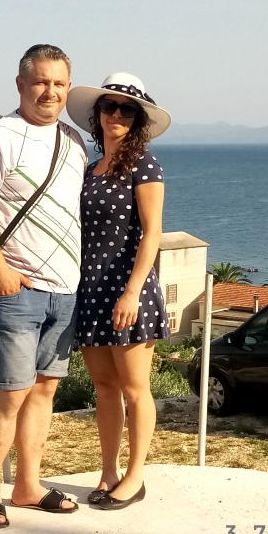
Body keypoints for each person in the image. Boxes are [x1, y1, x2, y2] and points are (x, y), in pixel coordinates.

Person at [0, 44, 88, 528]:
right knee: (10, 393)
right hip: (17, 291)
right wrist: (0, 271)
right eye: (40, 82)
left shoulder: (74, 141)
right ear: (20, 85)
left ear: (68, 88)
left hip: (65, 290)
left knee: (44, 391)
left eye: (59, 83)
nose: (50, 91)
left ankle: (28, 486)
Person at [65, 72, 172, 510]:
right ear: (98, 114)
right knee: (105, 388)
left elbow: (152, 233)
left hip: (129, 292)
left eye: (127, 109)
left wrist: (131, 292)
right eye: (109, 106)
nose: (117, 114)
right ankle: (108, 472)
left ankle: (134, 476)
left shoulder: (144, 164)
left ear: (138, 119)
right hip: (91, 292)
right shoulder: (90, 170)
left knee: (134, 389)